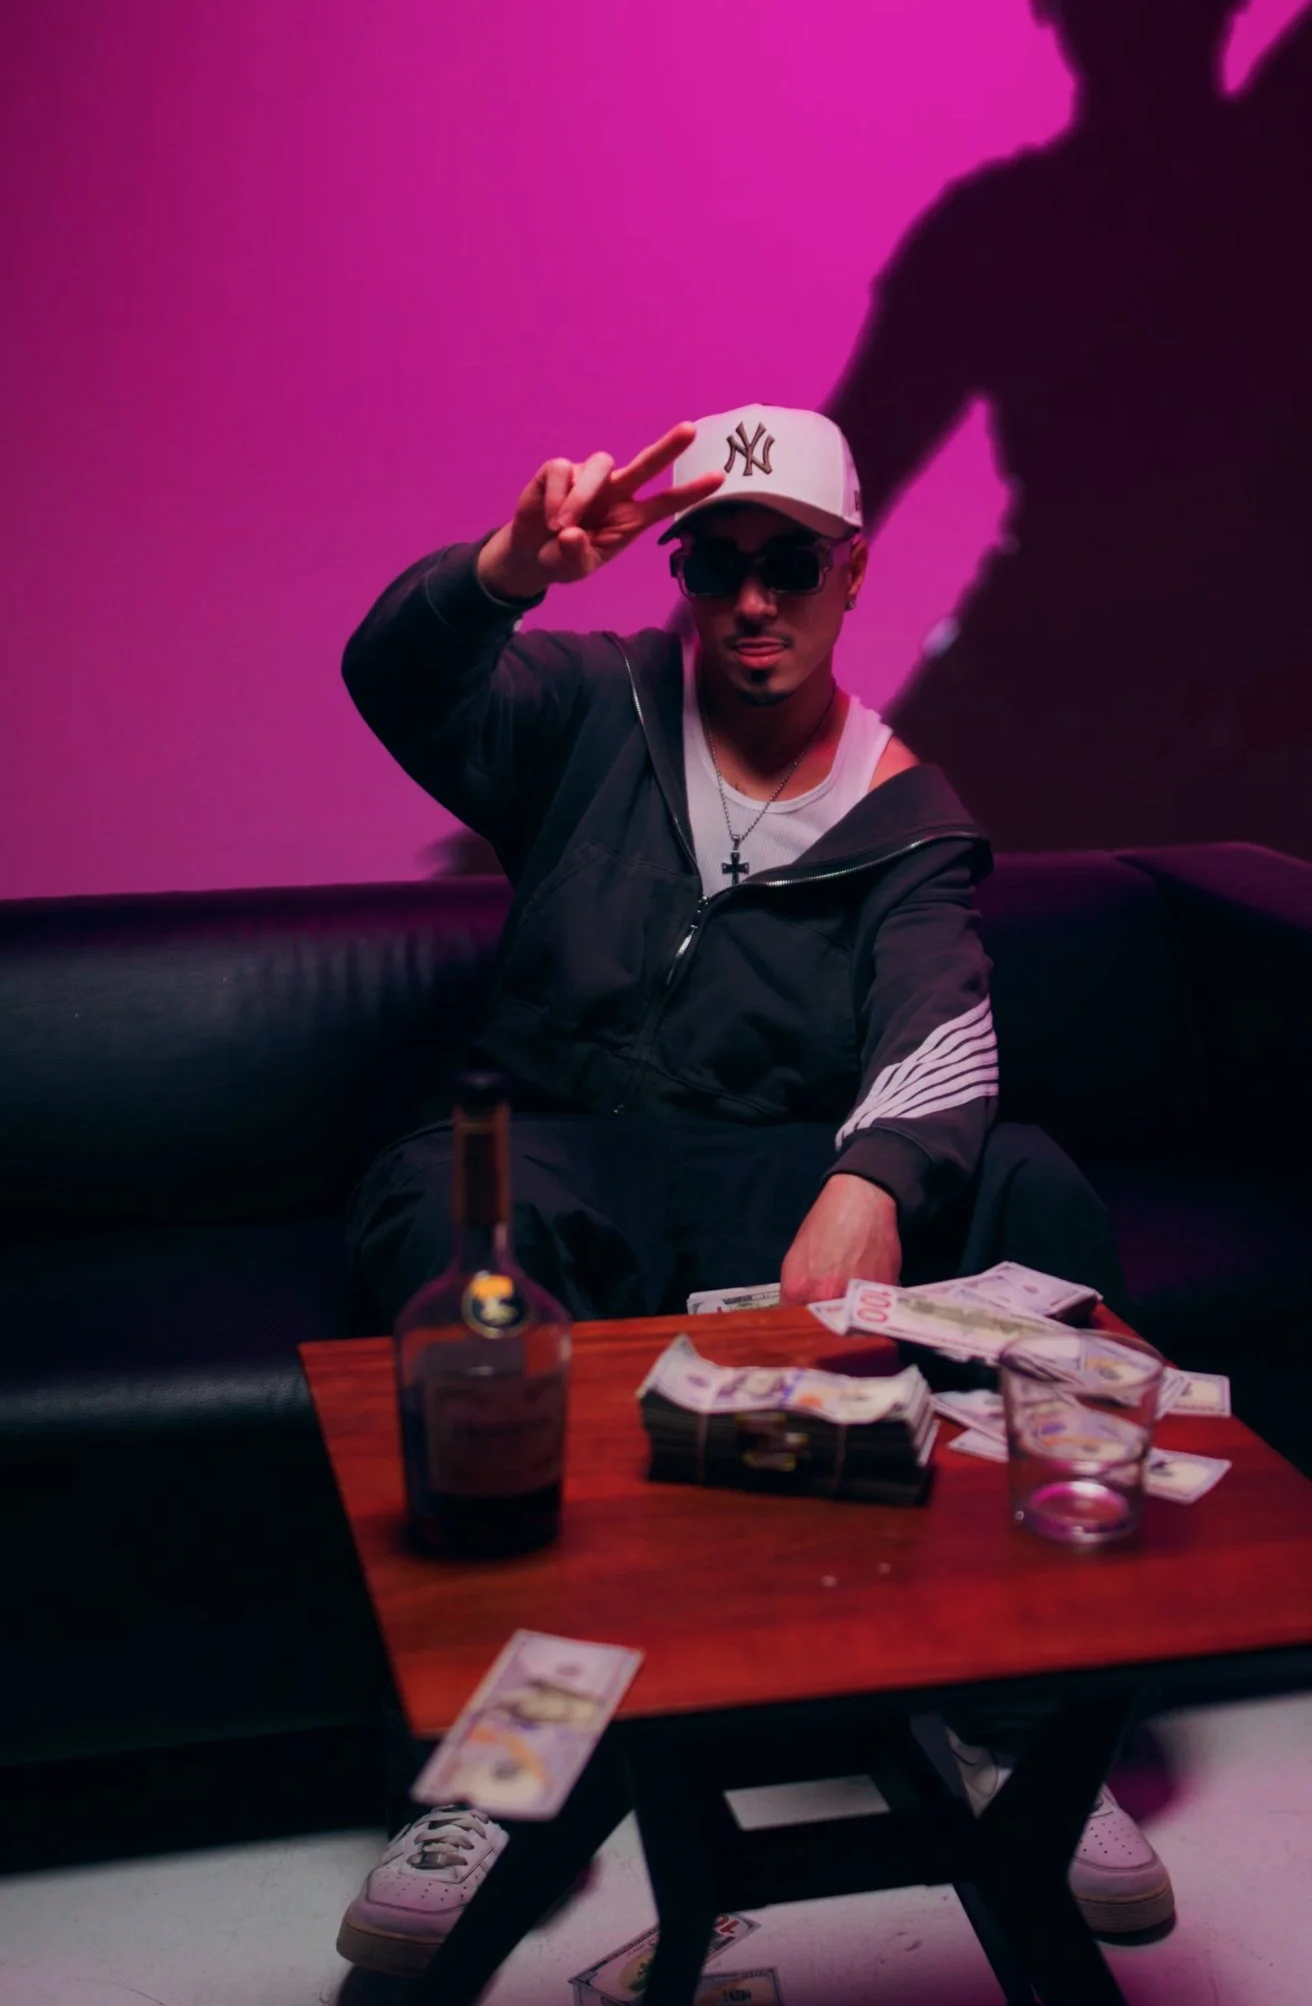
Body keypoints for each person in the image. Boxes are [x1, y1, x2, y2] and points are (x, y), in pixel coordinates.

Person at [334, 407, 1169, 1974]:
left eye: (788, 564)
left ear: (853, 572)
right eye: (715, 565)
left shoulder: (910, 813)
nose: (751, 602)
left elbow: (944, 1027)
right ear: (683, 576)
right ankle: (501, 1774)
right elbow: (394, 676)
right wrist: (506, 570)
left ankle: (1016, 1726)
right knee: (453, 1214)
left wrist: (870, 1180)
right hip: (582, 1143)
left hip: (780, 1171)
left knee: (1035, 1192)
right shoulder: (589, 707)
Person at [828, 0, 1312, 855]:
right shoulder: (997, 239)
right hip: (1073, 738)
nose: (1142, 2)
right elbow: (812, 507)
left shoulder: (1000, 236)